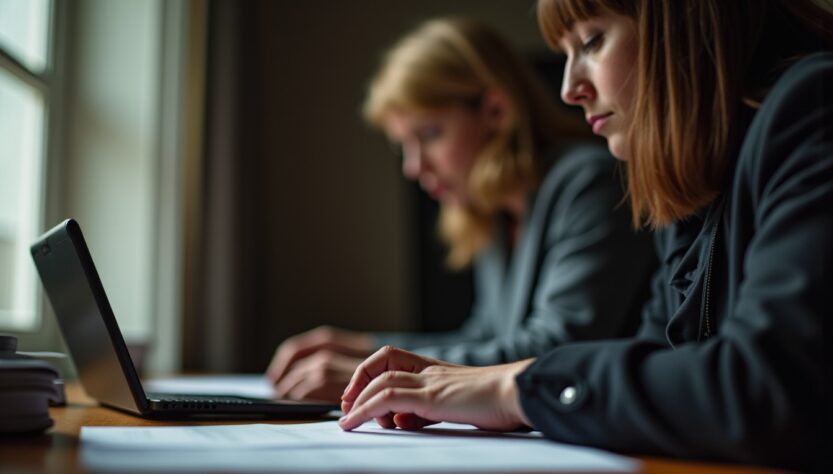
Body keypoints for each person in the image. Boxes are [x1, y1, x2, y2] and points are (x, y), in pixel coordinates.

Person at [337, 0, 833, 470]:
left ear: (682, 26)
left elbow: (769, 386)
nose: (569, 89)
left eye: (592, 42)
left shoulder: (813, 106)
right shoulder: (688, 191)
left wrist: (516, 388)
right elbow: (660, 360)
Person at [266, 17, 657, 402]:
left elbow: (555, 349)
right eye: (404, 146)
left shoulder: (590, 182)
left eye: (429, 134)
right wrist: (365, 349)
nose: (414, 167)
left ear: (495, 111)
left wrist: (379, 372)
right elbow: (486, 339)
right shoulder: (495, 211)